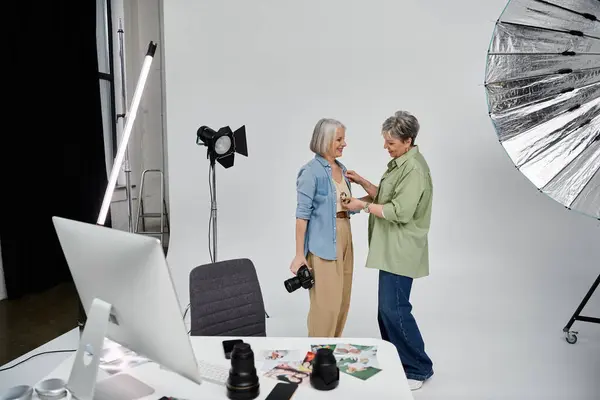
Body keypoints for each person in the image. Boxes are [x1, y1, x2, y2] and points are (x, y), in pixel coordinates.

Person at [342, 111, 434, 391]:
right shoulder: (401, 163)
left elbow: (400, 211)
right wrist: (362, 183)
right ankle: (399, 361)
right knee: (386, 310)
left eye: (391, 142)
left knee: (395, 310)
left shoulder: (414, 169)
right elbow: (386, 194)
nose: (386, 146)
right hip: (390, 248)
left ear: (408, 141)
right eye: (385, 141)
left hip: (401, 248)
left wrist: (362, 206)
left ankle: (418, 368)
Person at [290, 118, 355, 338]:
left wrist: (371, 197)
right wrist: (299, 255)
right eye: (339, 139)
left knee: (342, 302)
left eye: (343, 139)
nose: (344, 143)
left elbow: (347, 206)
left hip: (345, 236)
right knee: (325, 306)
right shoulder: (311, 172)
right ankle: (317, 354)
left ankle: (331, 352)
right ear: (325, 140)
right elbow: (302, 216)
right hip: (323, 243)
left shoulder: (342, 169)